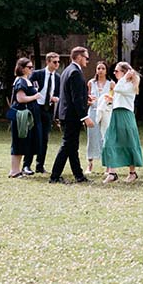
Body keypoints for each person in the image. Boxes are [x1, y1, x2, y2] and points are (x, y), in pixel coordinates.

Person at [49, 46, 95, 184]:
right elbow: (75, 99)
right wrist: (85, 117)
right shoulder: (75, 72)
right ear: (79, 57)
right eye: (86, 58)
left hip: (67, 114)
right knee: (67, 145)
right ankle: (54, 176)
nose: (87, 60)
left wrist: (86, 98)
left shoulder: (67, 70)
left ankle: (79, 176)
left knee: (72, 147)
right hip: (71, 116)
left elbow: (70, 94)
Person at [101, 62, 143, 183]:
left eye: (117, 71)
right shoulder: (123, 83)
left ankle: (132, 172)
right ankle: (112, 173)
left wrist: (125, 77)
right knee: (109, 142)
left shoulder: (129, 84)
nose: (114, 73)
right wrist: (112, 100)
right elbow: (120, 95)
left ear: (125, 73)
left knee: (129, 142)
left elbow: (118, 88)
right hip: (116, 114)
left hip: (125, 115)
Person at [25, 51, 60, 174]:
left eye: (58, 62)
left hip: (48, 109)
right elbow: (28, 88)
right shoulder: (37, 74)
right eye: (54, 62)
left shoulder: (57, 77)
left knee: (44, 138)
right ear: (48, 62)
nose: (57, 64)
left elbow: (58, 93)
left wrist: (55, 98)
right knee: (33, 136)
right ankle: (26, 165)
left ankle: (40, 165)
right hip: (36, 108)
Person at [9, 57, 41, 178]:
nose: (31, 69)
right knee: (18, 141)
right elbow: (20, 98)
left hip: (27, 116)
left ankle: (17, 170)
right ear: (22, 68)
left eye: (32, 67)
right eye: (29, 67)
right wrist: (35, 96)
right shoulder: (20, 81)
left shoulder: (26, 80)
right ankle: (14, 171)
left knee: (23, 142)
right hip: (21, 116)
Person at [85, 61, 115, 174]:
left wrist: (109, 101)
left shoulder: (111, 84)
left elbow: (114, 99)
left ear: (106, 70)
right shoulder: (91, 83)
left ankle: (108, 164)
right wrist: (89, 101)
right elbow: (87, 98)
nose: (100, 71)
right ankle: (90, 163)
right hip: (93, 111)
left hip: (106, 112)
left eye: (103, 68)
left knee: (106, 137)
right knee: (92, 136)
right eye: (98, 68)